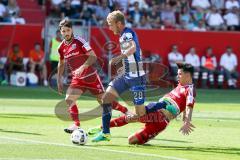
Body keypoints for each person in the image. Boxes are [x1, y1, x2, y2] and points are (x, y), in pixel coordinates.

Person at [89, 62, 196, 145]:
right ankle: (103, 129)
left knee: (131, 140)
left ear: (188, 75)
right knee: (132, 117)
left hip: (161, 122)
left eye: (180, 74)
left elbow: (189, 105)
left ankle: (106, 129)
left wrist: (187, 120)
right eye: (177, 74)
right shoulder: (180, 85)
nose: (177, 77)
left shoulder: (189, 89)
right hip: (155, 111)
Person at [57, 19, 129, 133]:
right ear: (60, 32)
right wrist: (59, 80)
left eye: (68, 30)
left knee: (103, 100)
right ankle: (76, 124)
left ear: (72, 30)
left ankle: (125, 111)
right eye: (63, 31)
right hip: (77, 79)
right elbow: (60, 63)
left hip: (90, 76)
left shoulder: (79, 41)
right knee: (69, 99)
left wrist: (82, 67)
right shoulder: (61, 48)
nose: (66, 33)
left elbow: (93, 56)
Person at [92, 10, 146, 142]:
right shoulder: (123, 35)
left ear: (119, 23)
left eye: (110, 24)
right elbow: (137, 51)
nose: (109, 27)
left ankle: (160, 111)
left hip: (137, 78)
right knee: (106, 99)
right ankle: (105, 133)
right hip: (127, 74)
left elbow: (133, 48)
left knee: (140, 115)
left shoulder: (127, 33)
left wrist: (119, 57)